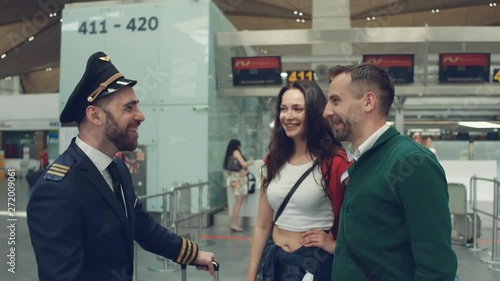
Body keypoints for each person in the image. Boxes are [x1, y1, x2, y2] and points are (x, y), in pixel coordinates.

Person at [26, 51, 217, 281]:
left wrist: (192, 254)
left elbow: (143, 227)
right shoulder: (57, 189)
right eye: (129, 108)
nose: (141, 115)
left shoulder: (117, 169)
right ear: (95, 116)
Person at [323, 63, 457, 281]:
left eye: (335, 100)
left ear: (368, 101)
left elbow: (436, 267)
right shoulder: (362, 161)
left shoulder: (413, 162)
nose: (326, 111)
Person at [246, 80, 351, 281]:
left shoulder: (335, 162)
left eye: (297, 109)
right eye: (283, 109)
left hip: (312, 265)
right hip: (274, 261)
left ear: (313, 112)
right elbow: (262, 224)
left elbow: (360, 220)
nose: (288, 116)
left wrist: (335, 245)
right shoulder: (273, 160)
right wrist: (250, 276)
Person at [223, 139, 255, 231]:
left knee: (237, 202)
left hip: (234, 179)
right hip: (239, 180)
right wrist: (252, 162)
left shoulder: (229, 154)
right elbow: (244, 164)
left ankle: (234, 223)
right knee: (238, 202)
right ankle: (234, 223)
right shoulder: (236, 152)